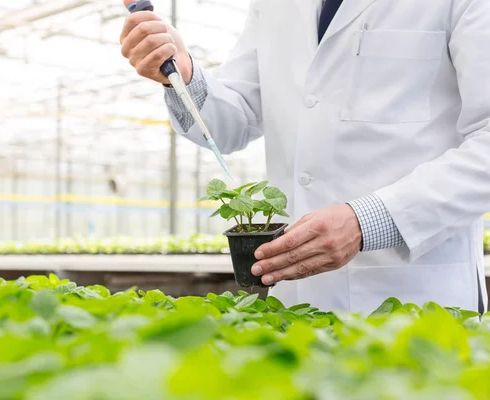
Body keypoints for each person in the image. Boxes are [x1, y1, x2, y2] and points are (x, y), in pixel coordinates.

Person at [120, 0, 489, 314]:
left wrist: (368, 221)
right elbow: (234, 118)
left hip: (416, 297)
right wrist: (182, 77)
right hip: (297, 298)